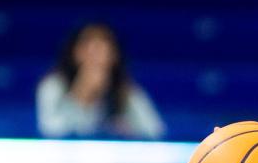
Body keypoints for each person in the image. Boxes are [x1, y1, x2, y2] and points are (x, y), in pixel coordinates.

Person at [36, 22, 165, 140]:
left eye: (102, 50)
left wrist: (130, 132)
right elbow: (49, 130)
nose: (95, 59)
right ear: (75, 53)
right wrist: (82, 95)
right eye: (89, 51)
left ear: (114, 56)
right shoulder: (53, 87)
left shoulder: (127, 93)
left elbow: (155, 132)